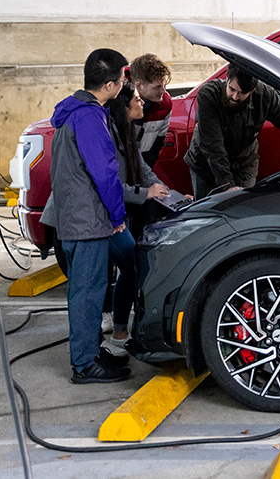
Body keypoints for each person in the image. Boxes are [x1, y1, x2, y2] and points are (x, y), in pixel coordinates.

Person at [39, 48, 132, 384]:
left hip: (74, 218)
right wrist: (117, 214)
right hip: (87, 221)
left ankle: (91, 352)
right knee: (87, 293)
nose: (124, 84)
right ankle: (84, 365)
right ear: (110, 84)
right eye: (123, 78)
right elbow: (105, 172)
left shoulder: (72, 111)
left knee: (87, 290)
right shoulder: (90, 117)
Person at [102, 80, 192, 355]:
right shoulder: (109, 136)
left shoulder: (125, 132)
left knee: (129, 265)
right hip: (101, 217)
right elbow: (113, 185)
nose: (142, 103)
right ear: (123, 107)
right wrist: (146, 193)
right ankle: (115, 330)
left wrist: (171, 195)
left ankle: (118, 329)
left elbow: (143, 171)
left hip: (112, 213)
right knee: (129, 263)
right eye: (137, 100)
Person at [184, 63, 280, 198]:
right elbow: (213, 144)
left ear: (252, 90)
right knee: (206, 214)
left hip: (244, 164)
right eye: (232, 89)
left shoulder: (266, 96)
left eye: (242, 93)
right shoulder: (208, 94)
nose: (235, 97)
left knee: (243, 211)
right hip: (207, 166)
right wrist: (227, 185)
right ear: (226, 80)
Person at [129, 53, 173, 168]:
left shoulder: (165, 103)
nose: (163, 91)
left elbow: (158, 143)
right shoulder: (118, 103)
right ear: (138, 86)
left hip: (144, 165)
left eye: (164, 85)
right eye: (157, 87)